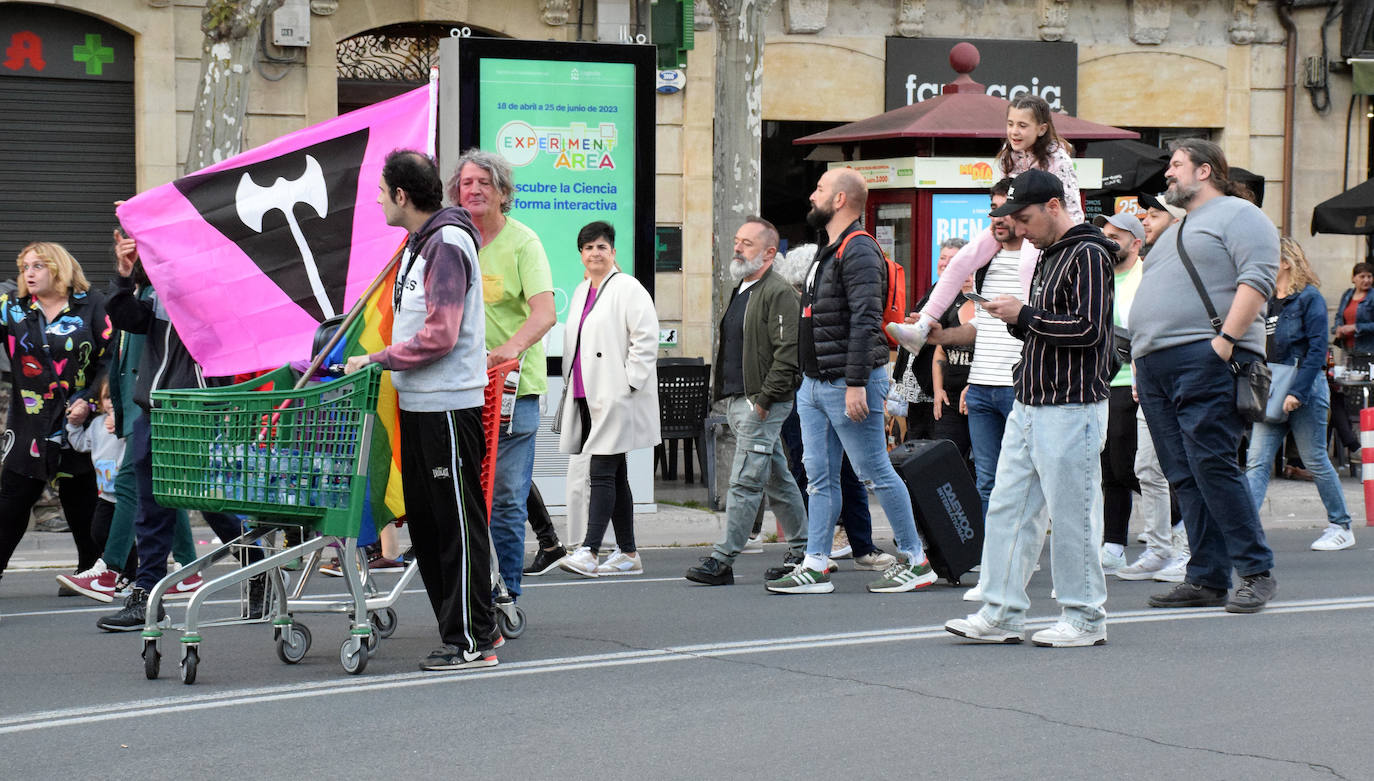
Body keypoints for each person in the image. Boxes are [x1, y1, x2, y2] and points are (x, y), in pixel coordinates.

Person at [943, 168, 1115, 648]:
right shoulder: (1049, 254)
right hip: (1033, 398)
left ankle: (1084, 617)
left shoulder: (1087, 253)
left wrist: (1025, 315)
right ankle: (1000, 611)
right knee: (1007, 507)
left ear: (1054, 207)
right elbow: (1050, 329)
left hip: (1071, 402)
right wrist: (1016, 319)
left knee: (1073, 514)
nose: (1018, 227)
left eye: (1024, 216)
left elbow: (1089, 330)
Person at [344, 149, 497, 671]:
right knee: (429, 532)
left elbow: (442, 334)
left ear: (402, 196)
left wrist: (376, 359)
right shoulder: (418, 244)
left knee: (455, 525)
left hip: (448, 408)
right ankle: (469, 631)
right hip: (419, 405)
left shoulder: (447, 244)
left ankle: (471, 640)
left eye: (383, 192)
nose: (378, 200)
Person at [765, 167, 935, 595]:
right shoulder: (830, 248)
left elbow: (865, 319)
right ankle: (816, 563)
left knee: (875, 470)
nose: (811, 194)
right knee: (820, 477)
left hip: (847, 383)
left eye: (820, 189)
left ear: (840, 200)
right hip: (816, 384)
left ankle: (917, 560)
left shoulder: (858, 249)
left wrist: (857, 383)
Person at [1132, 139, 1280, 614]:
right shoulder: (1177, 228)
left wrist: (1225, 342)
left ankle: (1256, 571)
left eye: (1176, 166)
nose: (1168, 175)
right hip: (1157, 367)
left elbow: (1257, 278)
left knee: (1213, 465)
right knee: (1183, 473)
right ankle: (1207, 577)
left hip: (1207, 358)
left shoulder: (1240, 214)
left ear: (1205, 171)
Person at [96, 231, 267, 631]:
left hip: (195, 409)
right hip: (154, 409)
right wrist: (124, 275)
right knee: (154, 503)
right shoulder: (154, 290)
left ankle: (255, 563)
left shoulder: (214, 285)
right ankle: (147, 597)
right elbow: (127, 319)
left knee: (200, 499)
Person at [447, 148, 562, 597]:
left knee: (507, 499)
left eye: (485, 183)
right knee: (465, 498)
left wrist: (508, 350)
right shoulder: (451, 241)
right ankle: (472, 588)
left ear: (502, 193)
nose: (474, 189)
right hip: (458, 389)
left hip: (514, 390)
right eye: (467, 183)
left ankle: (505, 592)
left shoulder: (523, 242)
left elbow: (545, 312)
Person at [889, 95, 1080, 353]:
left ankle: (1031, 326)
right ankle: (923, 325)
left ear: (1042, 128)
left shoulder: (1058, 160)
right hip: (1011, 220)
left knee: (1027, 263)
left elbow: (1072, 208)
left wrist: (1068, 240)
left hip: (1046, 230)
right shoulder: (1007, 157)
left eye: (1023, 125)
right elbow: (1002, 197)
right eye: (1010, 123)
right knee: (961, 259)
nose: (1014, 131)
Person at [685, 217, 807, 586]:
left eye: (747, 243)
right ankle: (805, 551)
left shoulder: (779, 291)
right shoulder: (742, 286)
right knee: (776, 478)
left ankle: (722, 560)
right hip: (742, 400)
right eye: (737, 241)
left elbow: (788, 353)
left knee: (744, 480)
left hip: (762, 402)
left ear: (770, 253)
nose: (737, 248)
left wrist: (764, 401)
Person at [0, 242, 110, 595]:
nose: (28, 273)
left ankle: (89, 570)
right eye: (25, 267)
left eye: (38, 266)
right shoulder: (13, 309)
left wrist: (91, 400)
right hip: (29, 421)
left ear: (59, 269)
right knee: (12, 498)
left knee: (82, 499)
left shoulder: (93, 304)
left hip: (79, 420)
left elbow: (110, 359)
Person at [555, 221, 660, 577]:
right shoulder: (583, 290)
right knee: (616, 475)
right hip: (587, 396)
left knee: (600, 470)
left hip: (616, 396)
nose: (595, 253)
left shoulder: (628, 288)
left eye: (602, 247)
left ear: (613, 252)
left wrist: (628, 384)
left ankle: (589, 550)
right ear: (580, 255)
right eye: (588, 248)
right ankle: (628, 553)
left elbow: (646, 338)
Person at [1245, 238, 1355, 552]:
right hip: (1270, 387)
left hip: (1303, 387)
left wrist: (1297, 392)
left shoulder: (1309, 298)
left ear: (1285, 263)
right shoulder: (1266, 299)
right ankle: (1247, 530)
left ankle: (1341, 525)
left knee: (1315, 459)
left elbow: (1318, 349)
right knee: (1256, 461)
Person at [1091, 211, 1145, 575]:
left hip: (1133, 381)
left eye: (1117, 235)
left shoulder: (1147, 277)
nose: (1108, 240)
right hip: (1101, 380)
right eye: (1105, 233)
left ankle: (1180, 522)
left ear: (1136, 243)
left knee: (1130, 467)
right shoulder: (1101, 275)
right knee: (1108, 467)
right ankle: (1113, 544)